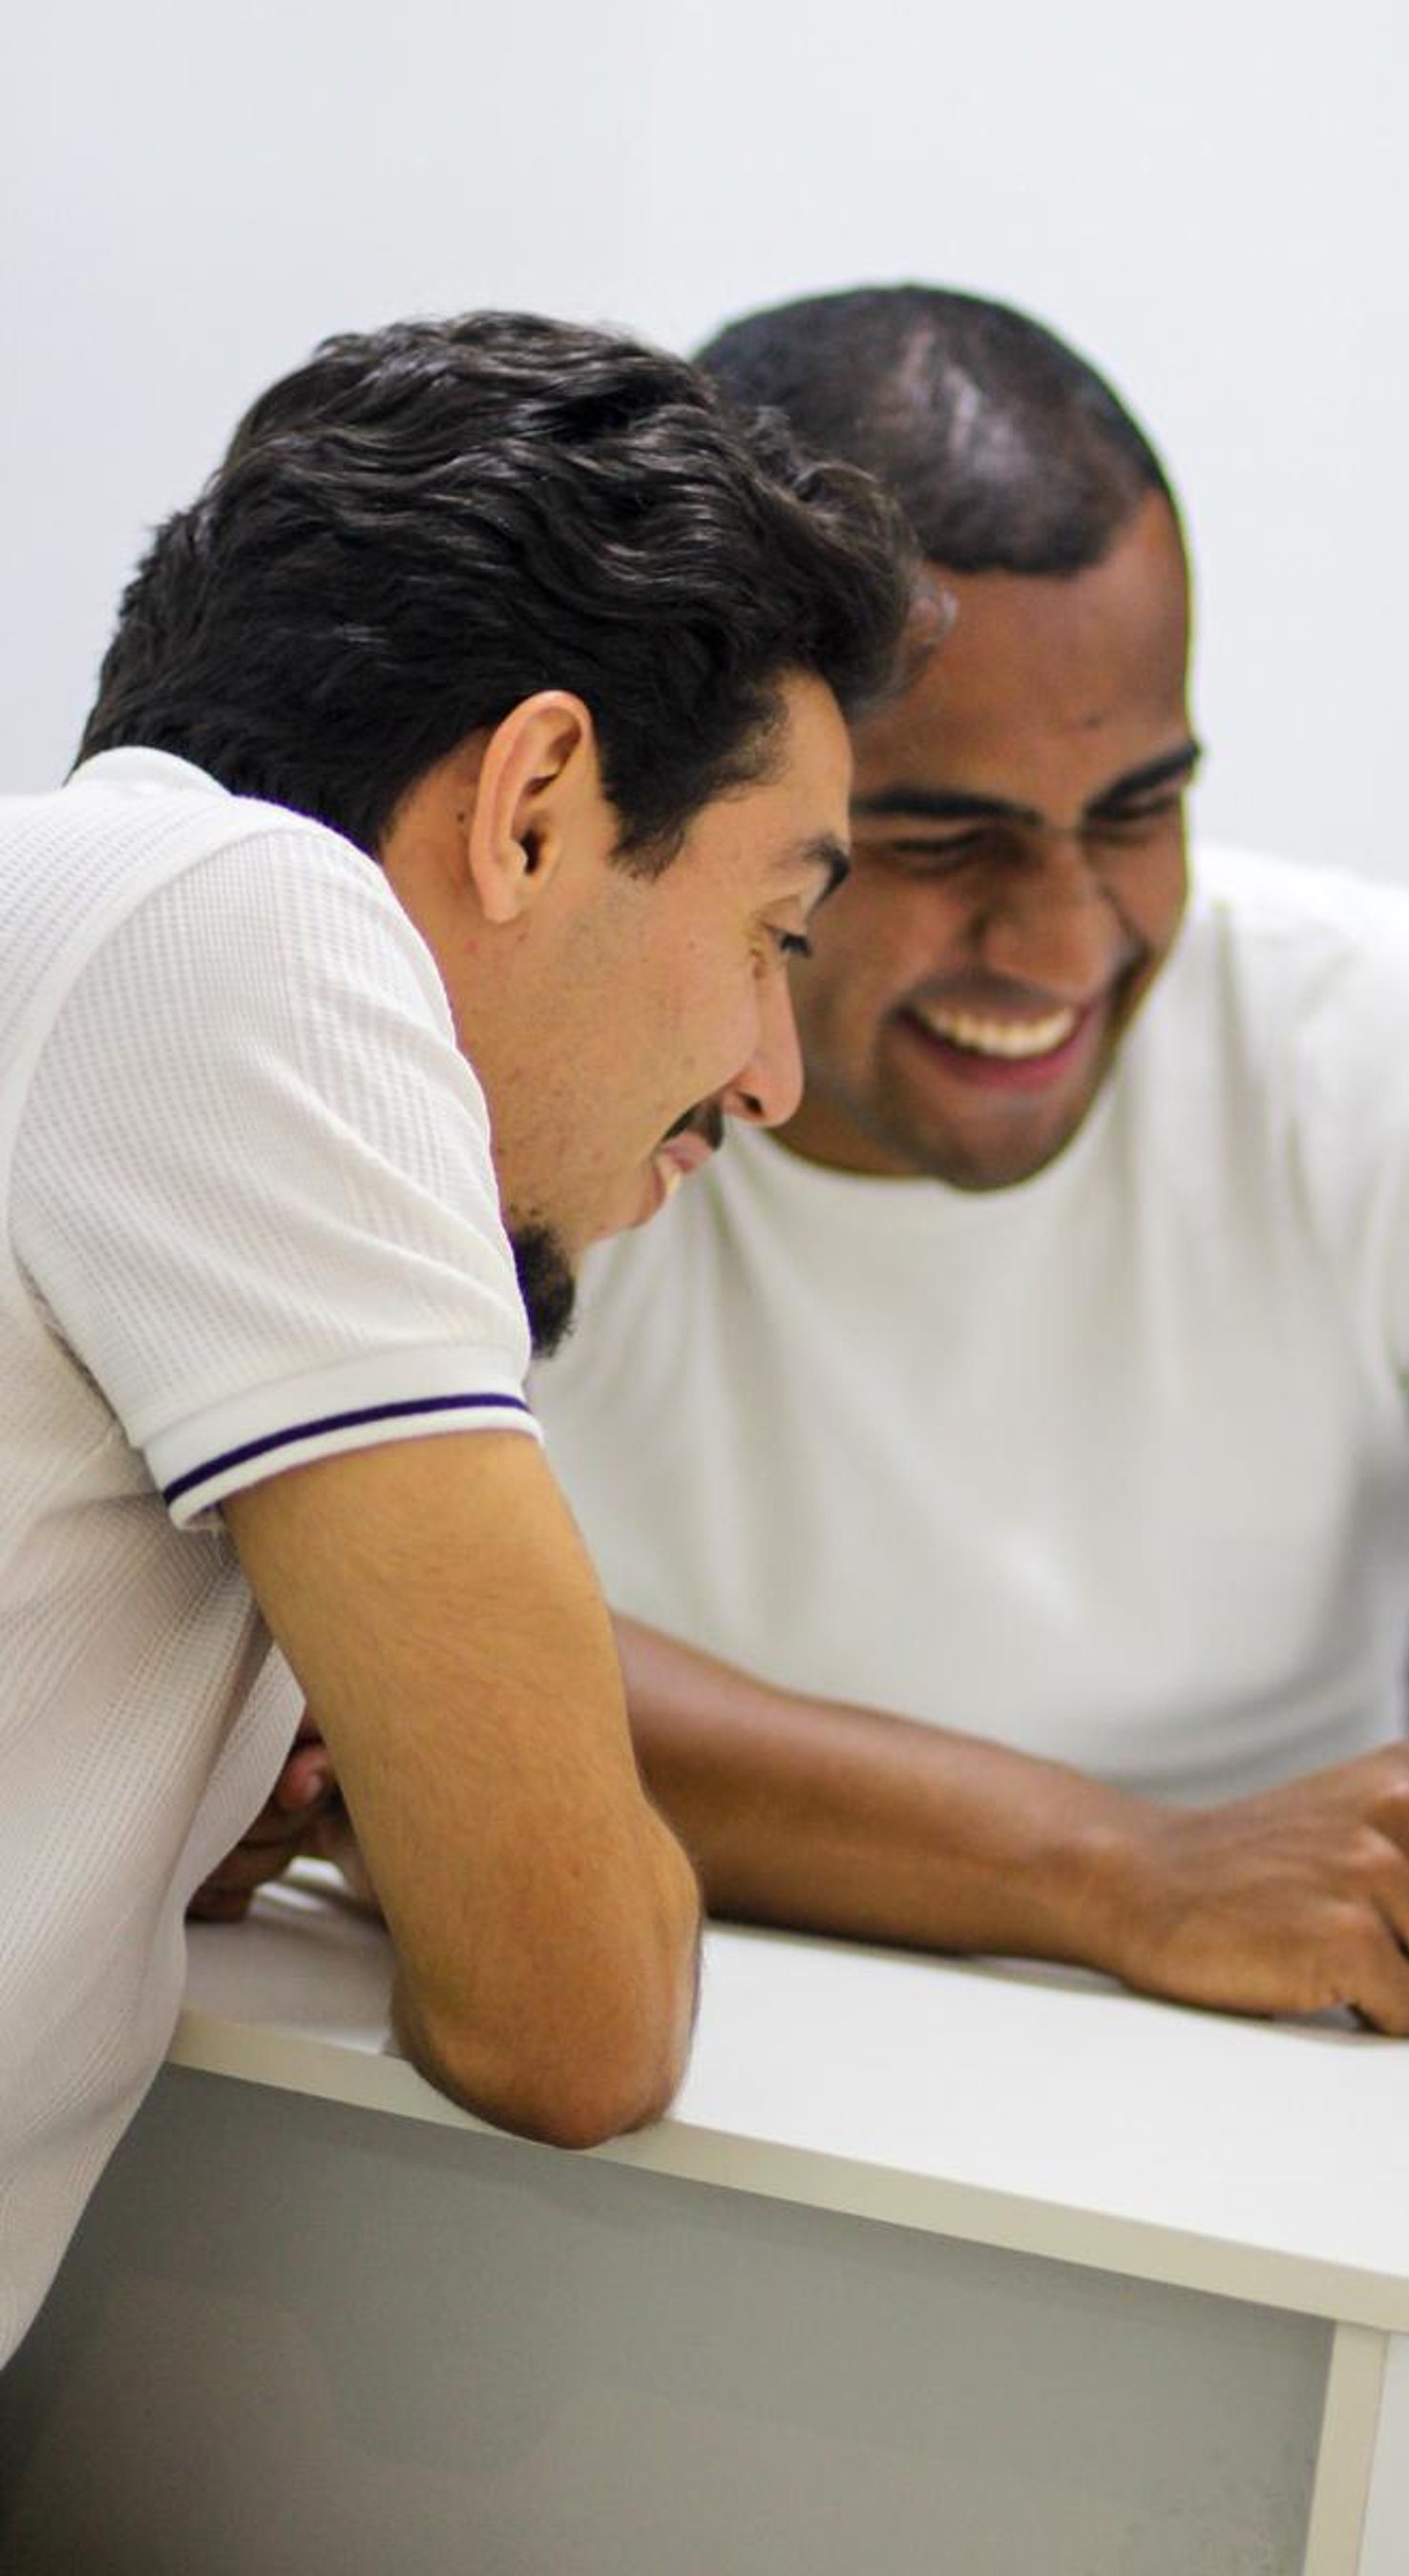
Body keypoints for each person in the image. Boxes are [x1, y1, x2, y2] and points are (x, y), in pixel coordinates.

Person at [525, 286, 1409, 2027]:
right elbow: (392, 1669)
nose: (1064, 939)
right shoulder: (480, 1066)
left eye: (1139, 811)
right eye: (945, 836)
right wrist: (1114, 1865)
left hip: (1263, 2136)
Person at [0, 307, 915, 2367]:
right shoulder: (248, 920)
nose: (769, 1074)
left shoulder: (81, 919)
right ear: (531, 800)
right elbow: (572, 2013)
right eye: (778, 925)